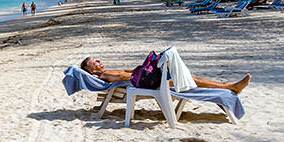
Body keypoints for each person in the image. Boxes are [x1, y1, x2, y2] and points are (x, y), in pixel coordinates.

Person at [78, 55, 250, 93]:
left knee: (190, 76)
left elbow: (130, 71)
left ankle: (227, 85)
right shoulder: (104, 76)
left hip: (147, 79)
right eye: (96, 63)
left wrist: (147, 67)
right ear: (92, 71)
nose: (100, 62)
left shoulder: (108, 71)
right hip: (149, 84)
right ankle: (230, 86)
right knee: (189, 79)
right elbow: (125, 78)